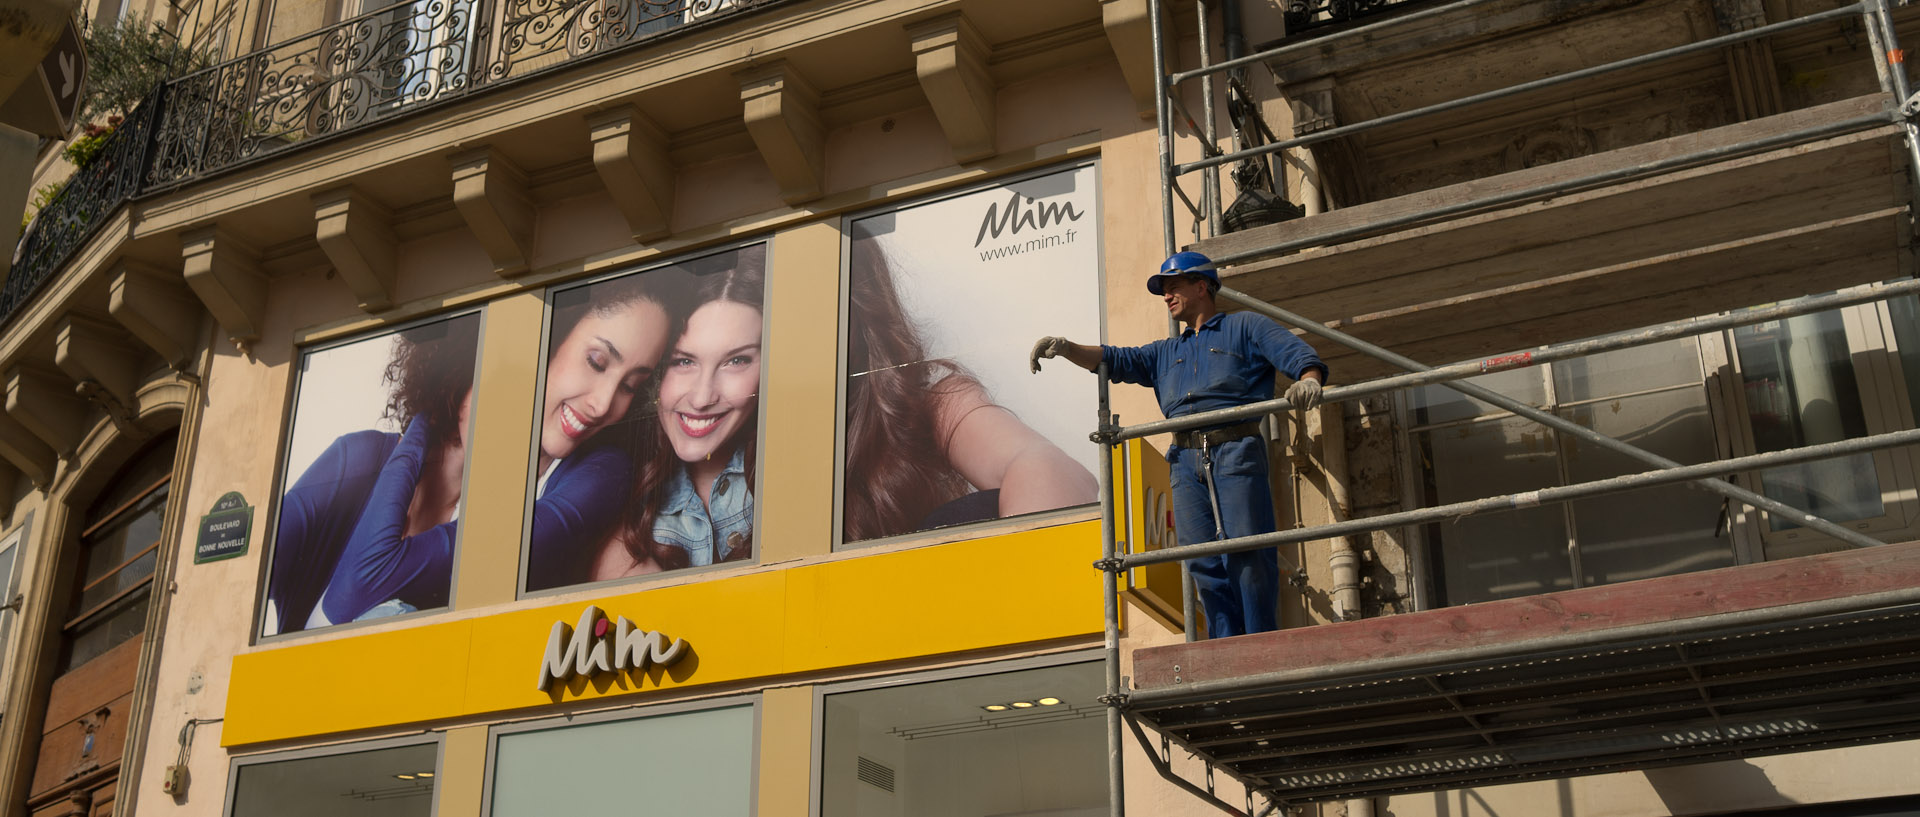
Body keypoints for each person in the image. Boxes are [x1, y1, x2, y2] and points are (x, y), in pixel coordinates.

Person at [1029, 251, 1326, 638]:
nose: (1167, 297)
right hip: (1186, 457)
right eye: (1164, 291)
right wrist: (1067, 347)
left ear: (1201, 287)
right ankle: (1225, 644)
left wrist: (1309, 379)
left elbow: (1300, 357)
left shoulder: (1245, 327)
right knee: (1199, 557)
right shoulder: (1166, 352)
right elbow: (1116, 359)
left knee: (1247, 550)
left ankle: (1259, 640)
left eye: (1173, 288)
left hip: (1234, 447)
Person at [842, 243, 1097, 542]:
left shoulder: (917, 402)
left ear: (861, 313)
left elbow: (1044, 466)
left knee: (973, 512)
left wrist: (1020, 573)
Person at [267, 315, 480, 634]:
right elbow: (244, 578)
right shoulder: (358, 461)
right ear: (457, 374)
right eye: (493, 379)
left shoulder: (501, 516)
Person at [595, 248, 765, 576]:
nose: (702, 398)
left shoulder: (799, 478)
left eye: (736, 360)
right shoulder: (618, 501)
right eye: (683, 361)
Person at [523, 276, 678, 591]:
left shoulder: (600, 475)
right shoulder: (401, 453)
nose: (603, 405)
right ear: (549, 338)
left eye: (629, 386)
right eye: (596, 362)